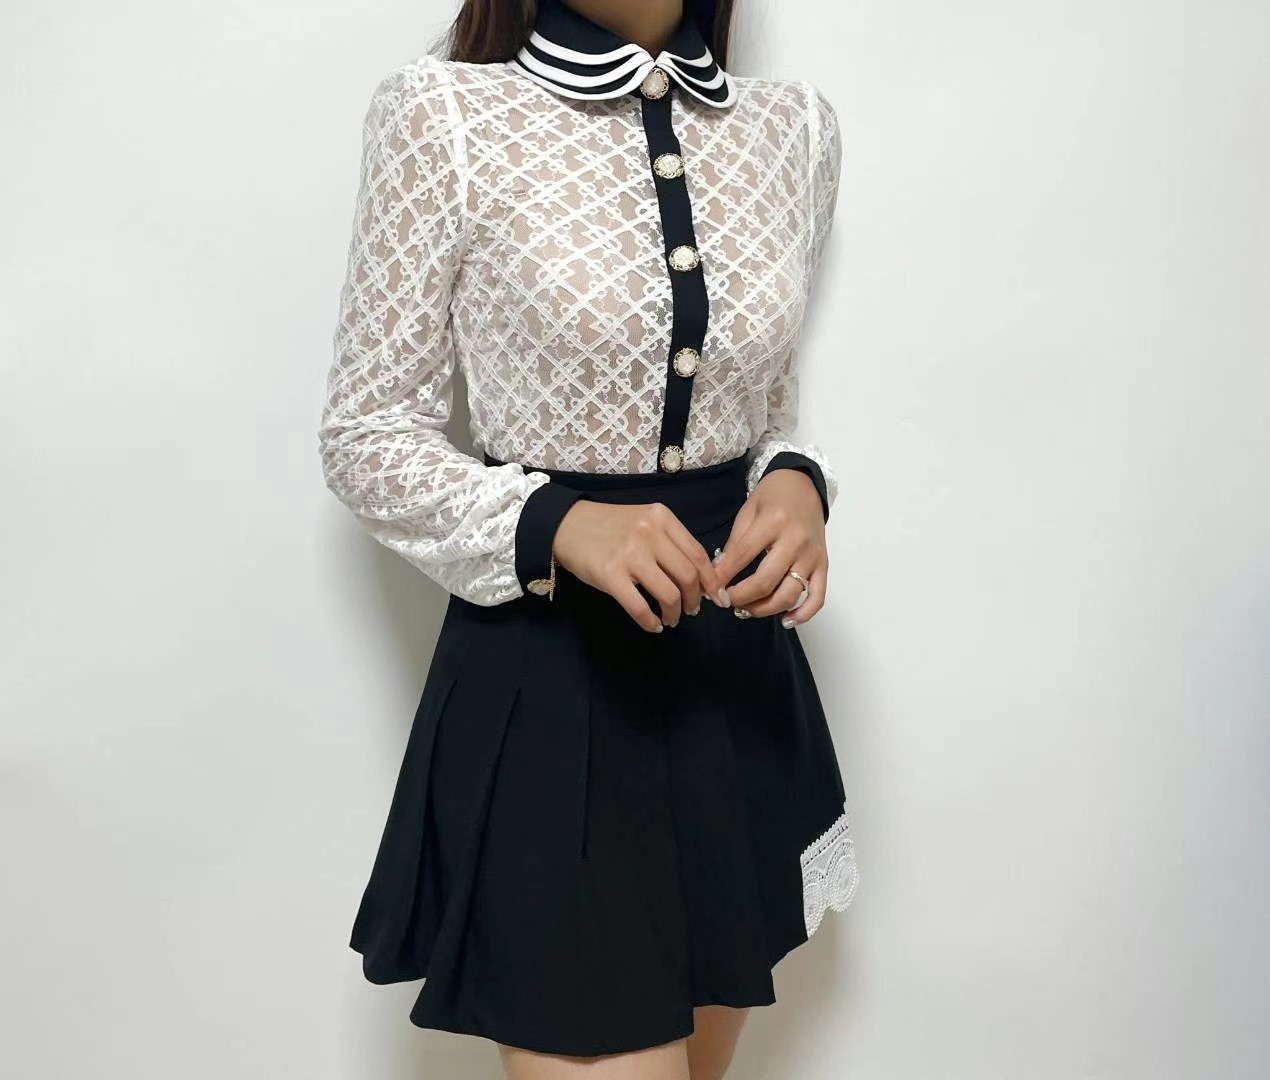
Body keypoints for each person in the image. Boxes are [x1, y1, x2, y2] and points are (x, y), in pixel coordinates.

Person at [317, 1, 860, 1075]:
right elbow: (365, 435)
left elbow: (764, 411)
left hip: (732, 680)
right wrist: (556, 522)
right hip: (554, 691)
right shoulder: (444, 115)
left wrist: (797, 484)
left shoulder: (793, 131)